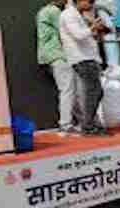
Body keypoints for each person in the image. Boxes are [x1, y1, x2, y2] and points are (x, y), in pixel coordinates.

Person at [59, 0, 112, 136]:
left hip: (89, 58)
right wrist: (93, 26)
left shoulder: (78, 14)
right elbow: (79, 35)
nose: (92, 4)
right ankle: (88, 126)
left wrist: (98, 30)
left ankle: (90, 124)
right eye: (90, 1)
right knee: (92, 93)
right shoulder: (69, 15)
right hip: (82, 58)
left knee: (94, 93)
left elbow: (88, 37)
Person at [37, 0, 80, 134]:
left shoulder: (44, 11)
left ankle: (76, 121)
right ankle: (66, 124)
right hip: (58, 54)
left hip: (50, 55)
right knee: (68, 89)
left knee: (69, 89)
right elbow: (68, 31)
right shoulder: (54, 11)